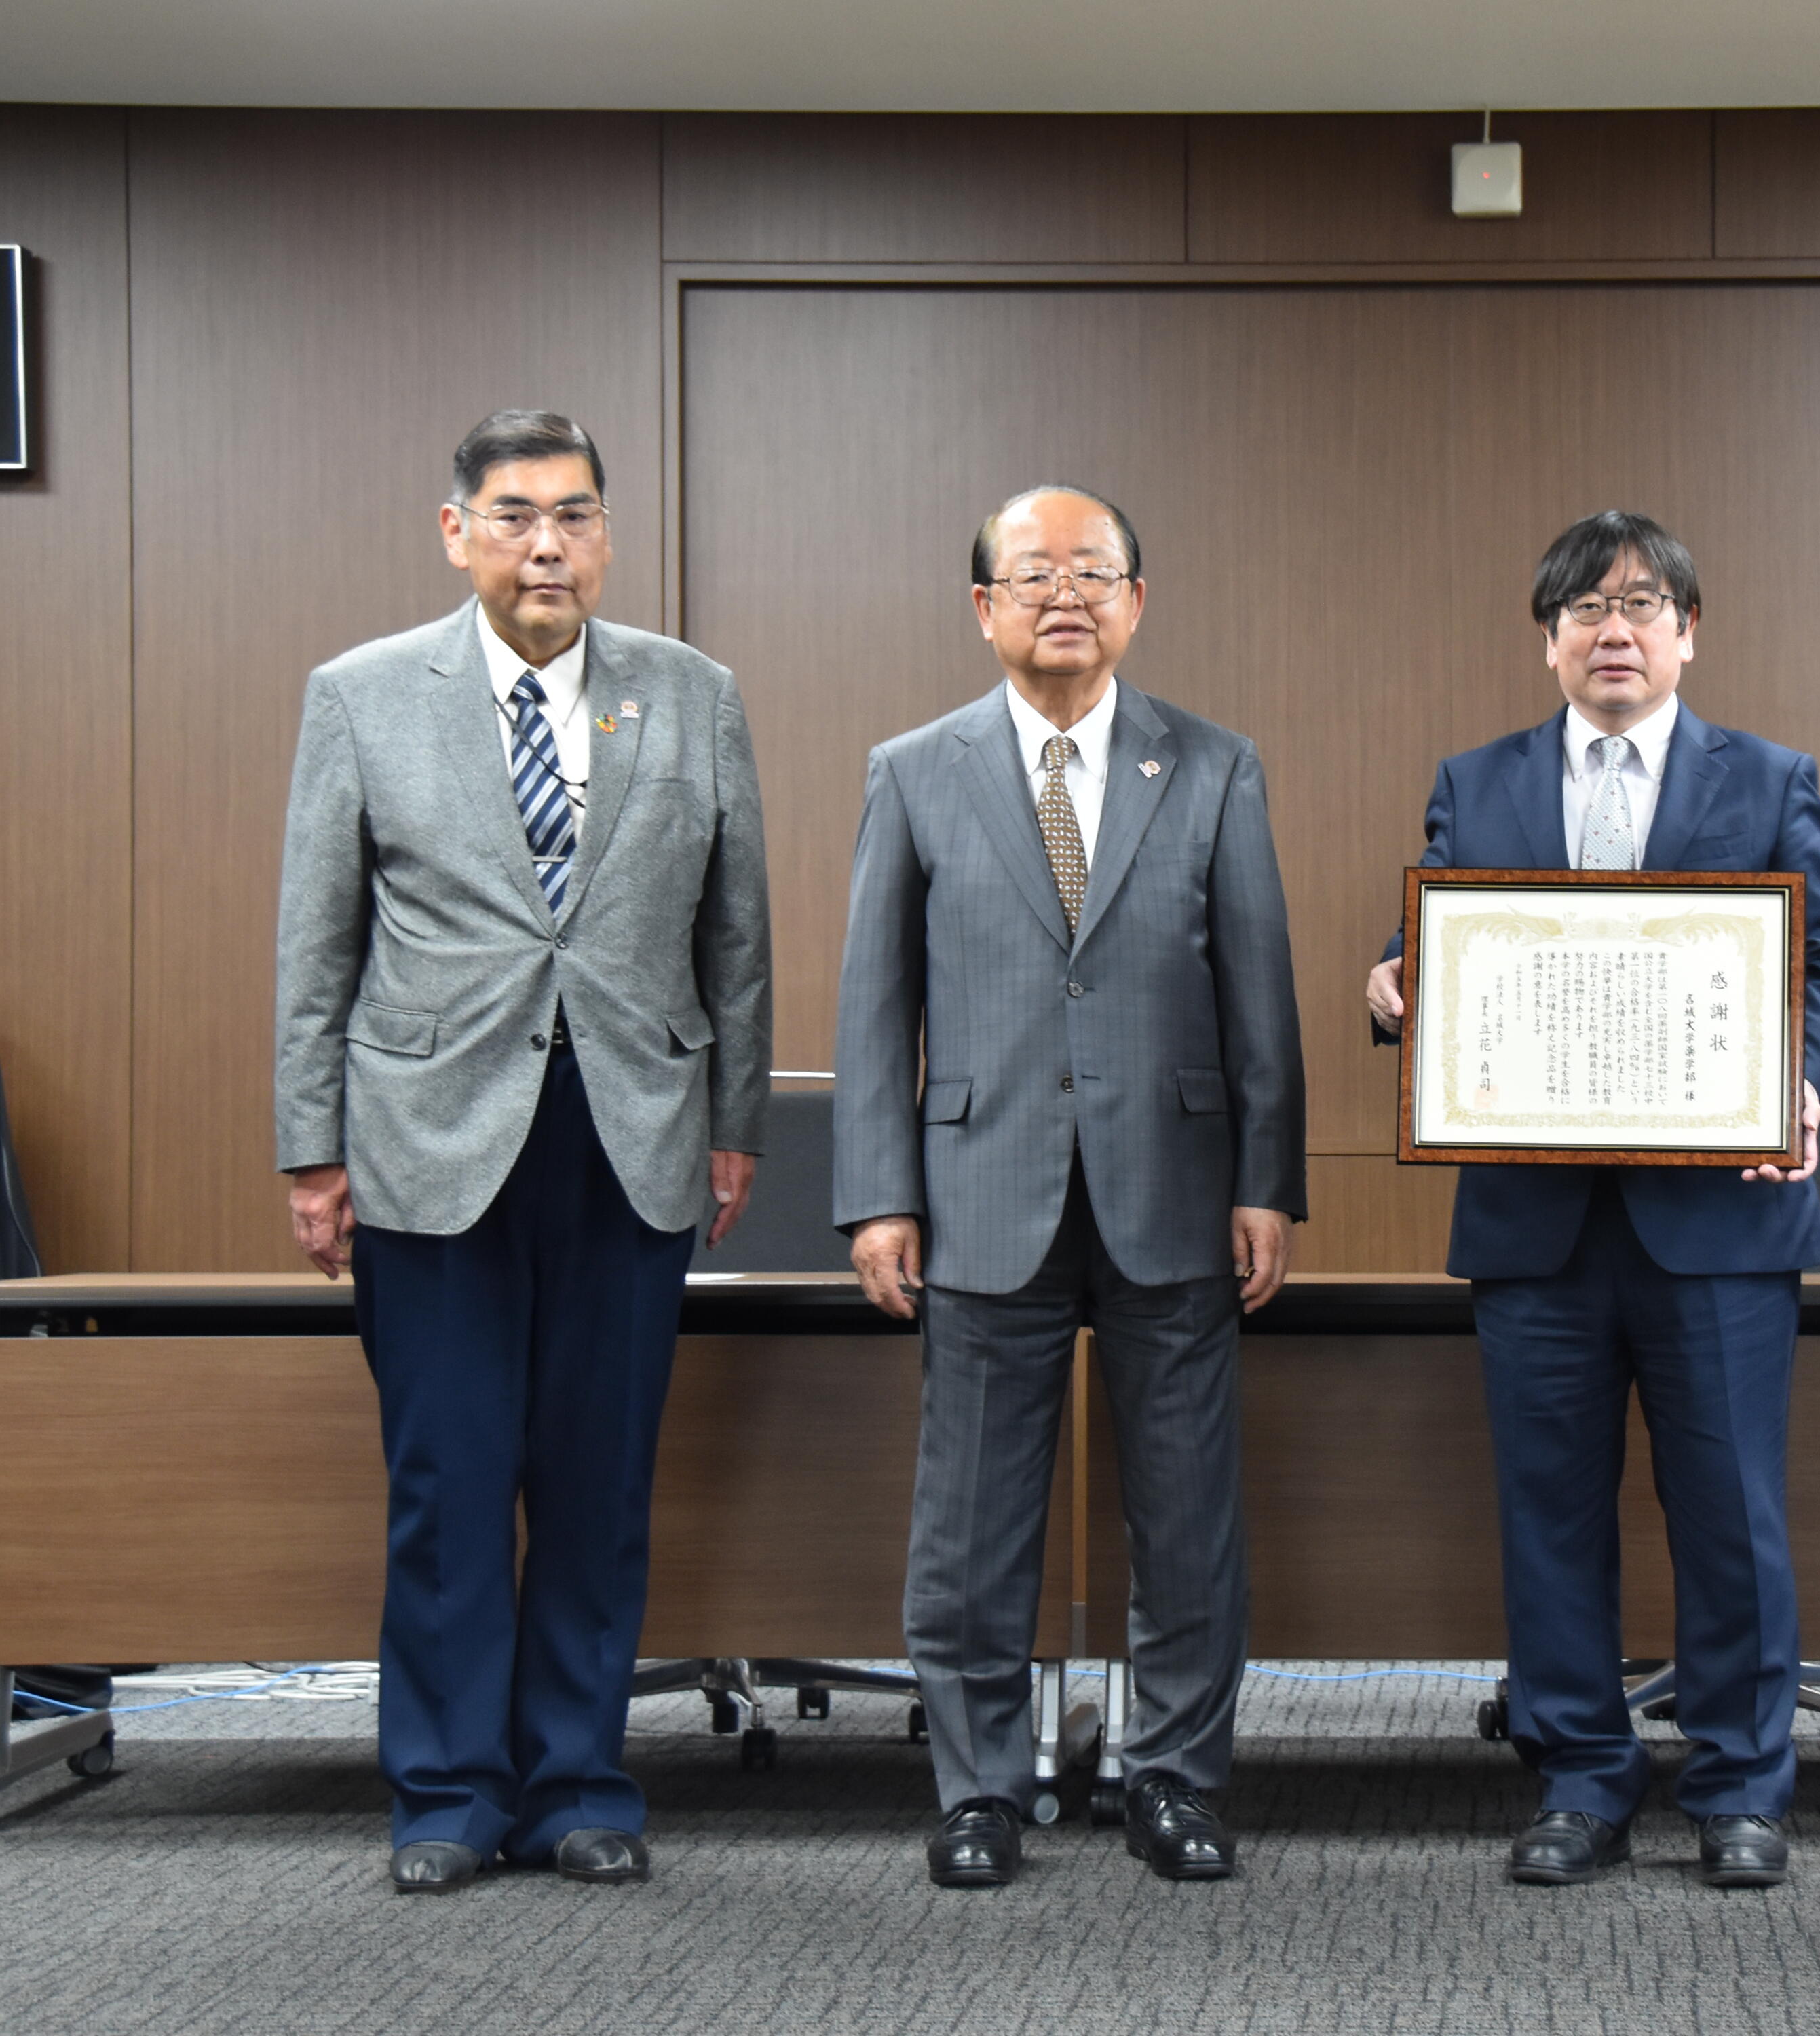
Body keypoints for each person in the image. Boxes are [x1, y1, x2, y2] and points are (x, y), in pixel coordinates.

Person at [275, 409, 772, 1894]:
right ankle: (443, 1795)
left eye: (571, 515)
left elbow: (736, 934)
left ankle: (576, 1781)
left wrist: (734, 1121)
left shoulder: (693, 696)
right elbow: (317, 945)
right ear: (457, 533)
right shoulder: (363, 697)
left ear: (607, 534)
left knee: (598, 1478)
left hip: (631, 1137)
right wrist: (313, 1149)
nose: (545, 543)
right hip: (429, 1143)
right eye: (512, 516)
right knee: (448, 1477)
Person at [1365, 510, 1820, 1889]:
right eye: (1585, 608)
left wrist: (1800, 1084)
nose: (1613, 629)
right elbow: (1434, 946)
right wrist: (1393, 983)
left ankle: (1744, 1786)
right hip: (1539, 1228)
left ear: (1687, 633)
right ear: (1549, 640)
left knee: (1732, 1516)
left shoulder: (1768, 779)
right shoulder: (1478, 781)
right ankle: (1580, 1776)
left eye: (1641, 604)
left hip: (1722, 1223)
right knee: (1550, 1513)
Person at [835, 485, 1305, 1889]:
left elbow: (1259, 996)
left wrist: (1267, 1180)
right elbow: (874, 1003)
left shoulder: (1213, 767)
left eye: (1093, 574)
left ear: (1136, 603)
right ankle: (980, 1789)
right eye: (1033, 575)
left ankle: (1176, 1778)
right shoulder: (914, 770)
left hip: (1176, 1185)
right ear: (982, 607)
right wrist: (877, 1192)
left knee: (1187, 1517)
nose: (1065, 597)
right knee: (972, 1523)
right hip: (980, 1189)